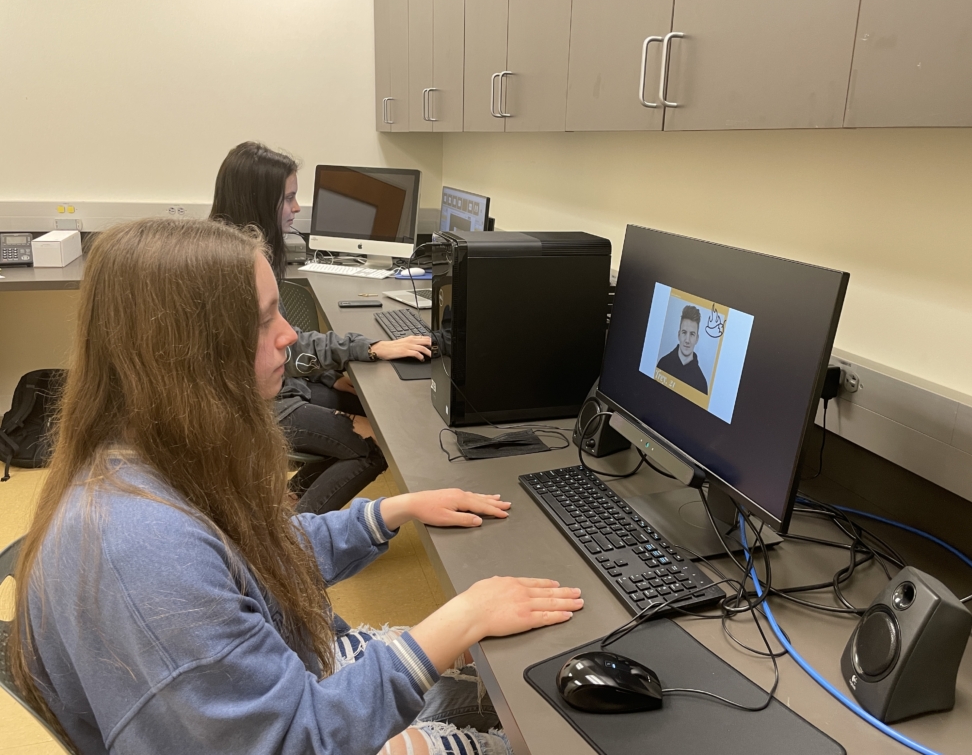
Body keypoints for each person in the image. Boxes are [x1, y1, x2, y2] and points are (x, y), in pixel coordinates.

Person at [10, 218, 584, 755]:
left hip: (287, 687)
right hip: (296, 729)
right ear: (187, 354)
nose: (288, 335)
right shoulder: (145, 552)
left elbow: (261, 551)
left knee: (502, 683)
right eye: (264, 321)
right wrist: (459, 619)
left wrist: (392, 511)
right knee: (533, 735)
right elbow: (298, 739)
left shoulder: (150, 458)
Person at [210, 142, 431, 514]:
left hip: (281, 387)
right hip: (257, 403)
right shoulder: (230, 268)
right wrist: (370, 348)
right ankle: (294, 545)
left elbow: (284, 342)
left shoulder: (239, 252)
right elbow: (285, 347)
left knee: (371, 406)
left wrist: (329, 379)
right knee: (375, 444)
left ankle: (288, 506)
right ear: (258, 200)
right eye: (289, 198)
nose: (297, 208)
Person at [656, 303, 709, 394]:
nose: (687, 340)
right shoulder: (663, 364)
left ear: (697, 339)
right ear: (679, 335)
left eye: (692, 334)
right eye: (684, 332)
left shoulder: (701, 383)